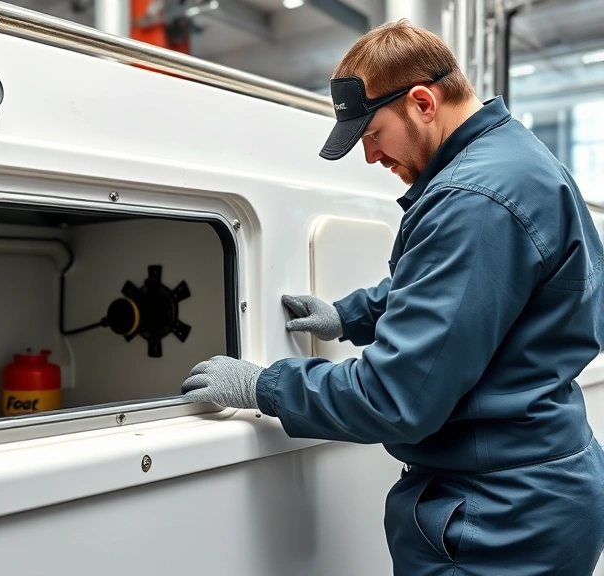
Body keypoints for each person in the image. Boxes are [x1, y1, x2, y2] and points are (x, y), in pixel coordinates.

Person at [181, 19, 604, 576]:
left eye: (372, 134)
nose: (370, 157)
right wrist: (348, 316)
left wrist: (265, 385)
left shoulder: (474, 200)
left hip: (497, 517)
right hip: (536, 489)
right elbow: (471, 295)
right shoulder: (512, 161)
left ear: (423, 103)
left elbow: (398, 396)